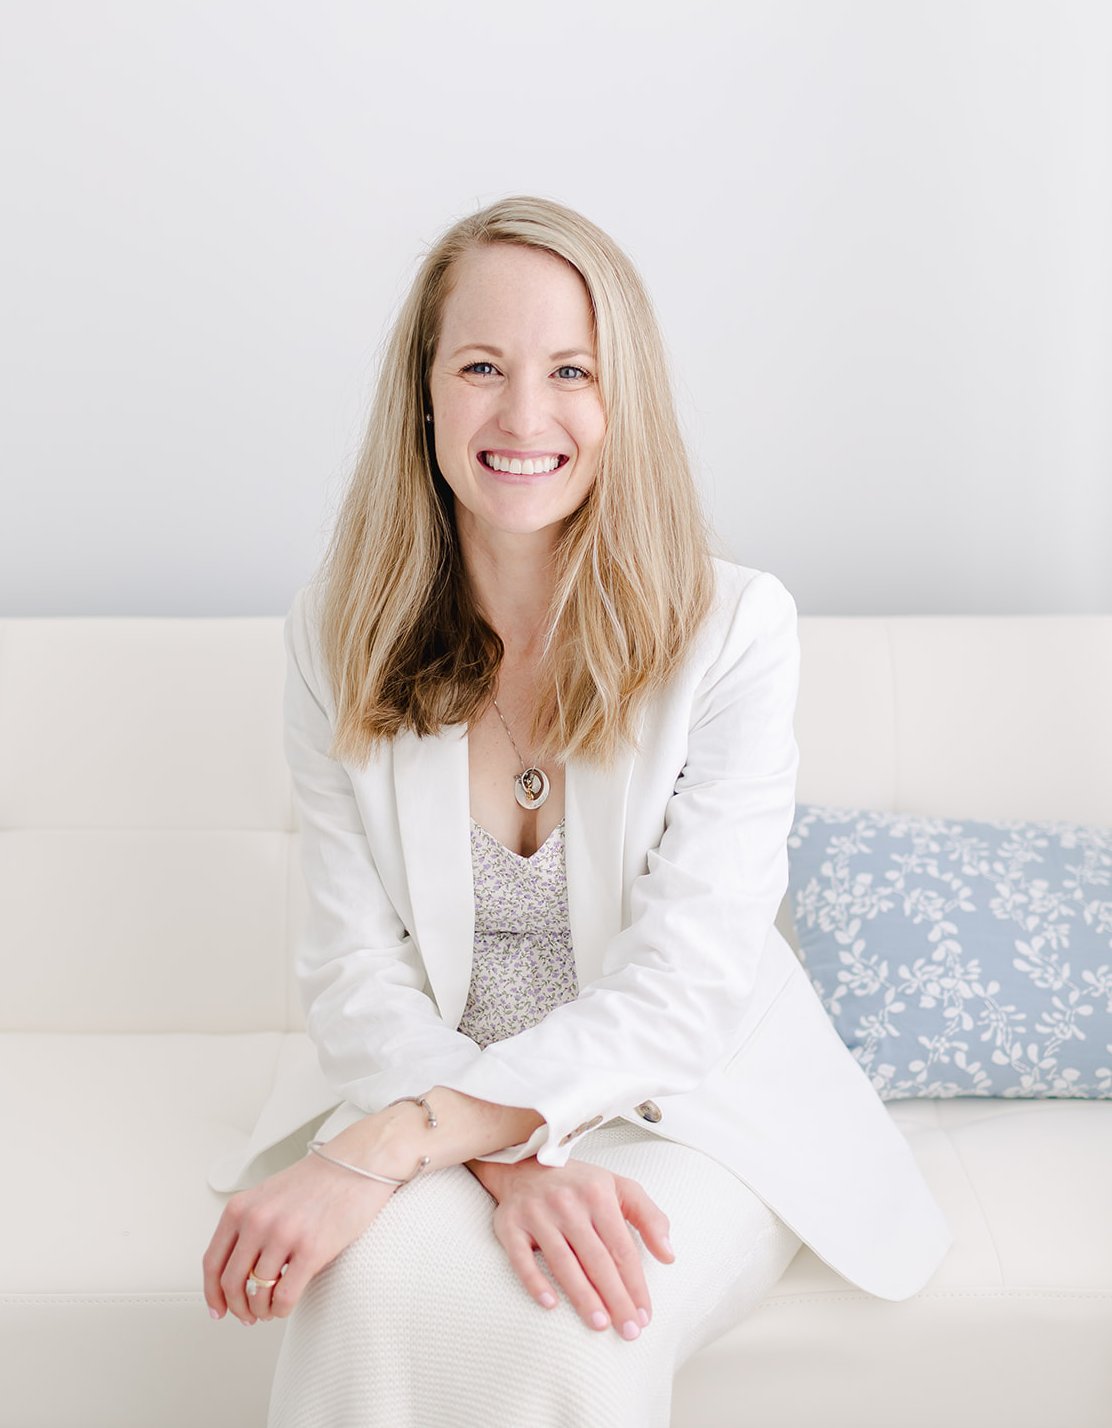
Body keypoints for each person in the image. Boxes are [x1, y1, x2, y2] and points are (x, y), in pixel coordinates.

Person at [203, 197, 952, 1427]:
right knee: (368, 1288)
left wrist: (409, 1144)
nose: (524, 416)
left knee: (577, 1333)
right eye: (482, 367)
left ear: (622, 403)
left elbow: (688, 981)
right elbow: (350, 971)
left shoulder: (735, 629)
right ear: (425, 393)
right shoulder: (331, 634)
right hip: (433, 1083)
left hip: (687, 1106)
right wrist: (496, 1151)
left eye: (570, 372)